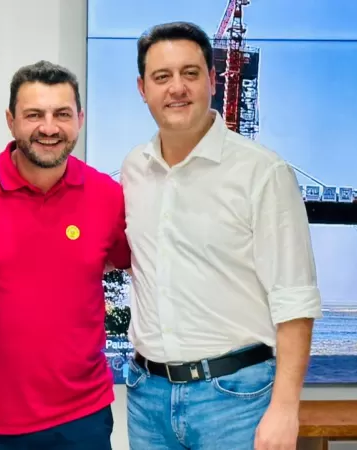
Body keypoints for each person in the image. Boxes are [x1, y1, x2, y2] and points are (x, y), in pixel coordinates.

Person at [120, 22, 323, 450]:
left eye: (190, 73)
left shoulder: (263, 173)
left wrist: (285, 409)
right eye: (162, 76)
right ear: (142, 89)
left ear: (213, 80)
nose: (177, 88)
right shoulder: (133, 169)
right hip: (146, 398)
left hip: (235, 402)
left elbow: (295, 300)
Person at [0, 60, 130, 450]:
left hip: (82, 420)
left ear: (80, 119)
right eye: (34, 115)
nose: (49, 128)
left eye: (62, 114)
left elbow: (133, 262)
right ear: (11, 120)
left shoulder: (107, 196)